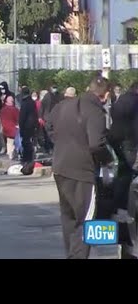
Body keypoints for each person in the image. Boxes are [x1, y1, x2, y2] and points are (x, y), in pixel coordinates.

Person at [48, 77, 113, 259]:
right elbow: (96, 144)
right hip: (82, 171)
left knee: (68, 217)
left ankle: (71, 253)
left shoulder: (64, 105)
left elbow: (49, 126)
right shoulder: (95, 111)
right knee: (85, 220)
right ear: (105, 94)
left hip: (60, 167)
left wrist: (61, 143)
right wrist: (108, 160)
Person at [108, 82, 138, 224]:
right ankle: (121, 209)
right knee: (125, 175)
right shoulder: (135, 101)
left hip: (116, 138)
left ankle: (115, 208)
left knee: (121, 172)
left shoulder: (122, 99)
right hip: (128, 140)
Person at [39, 84, 64, 154]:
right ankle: (49, 148)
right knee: (48, 134)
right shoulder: (47, 96)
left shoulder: (60, 96)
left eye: (55, 88)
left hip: (57, 117)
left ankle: (53, 148)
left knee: (55, 134)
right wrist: (40, 116)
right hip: (48, 117)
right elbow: (42, 106)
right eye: (53, 88)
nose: (54, 89)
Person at [19, 87, 38, 164]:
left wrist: (21, 125)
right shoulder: (32, 102)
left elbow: (22, 116)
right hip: (32, 124)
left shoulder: (24, 103)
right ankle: (30, 157)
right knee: (30, 141)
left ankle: (27, 158)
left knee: (25, 142)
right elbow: (35, 113)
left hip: (26, 125)